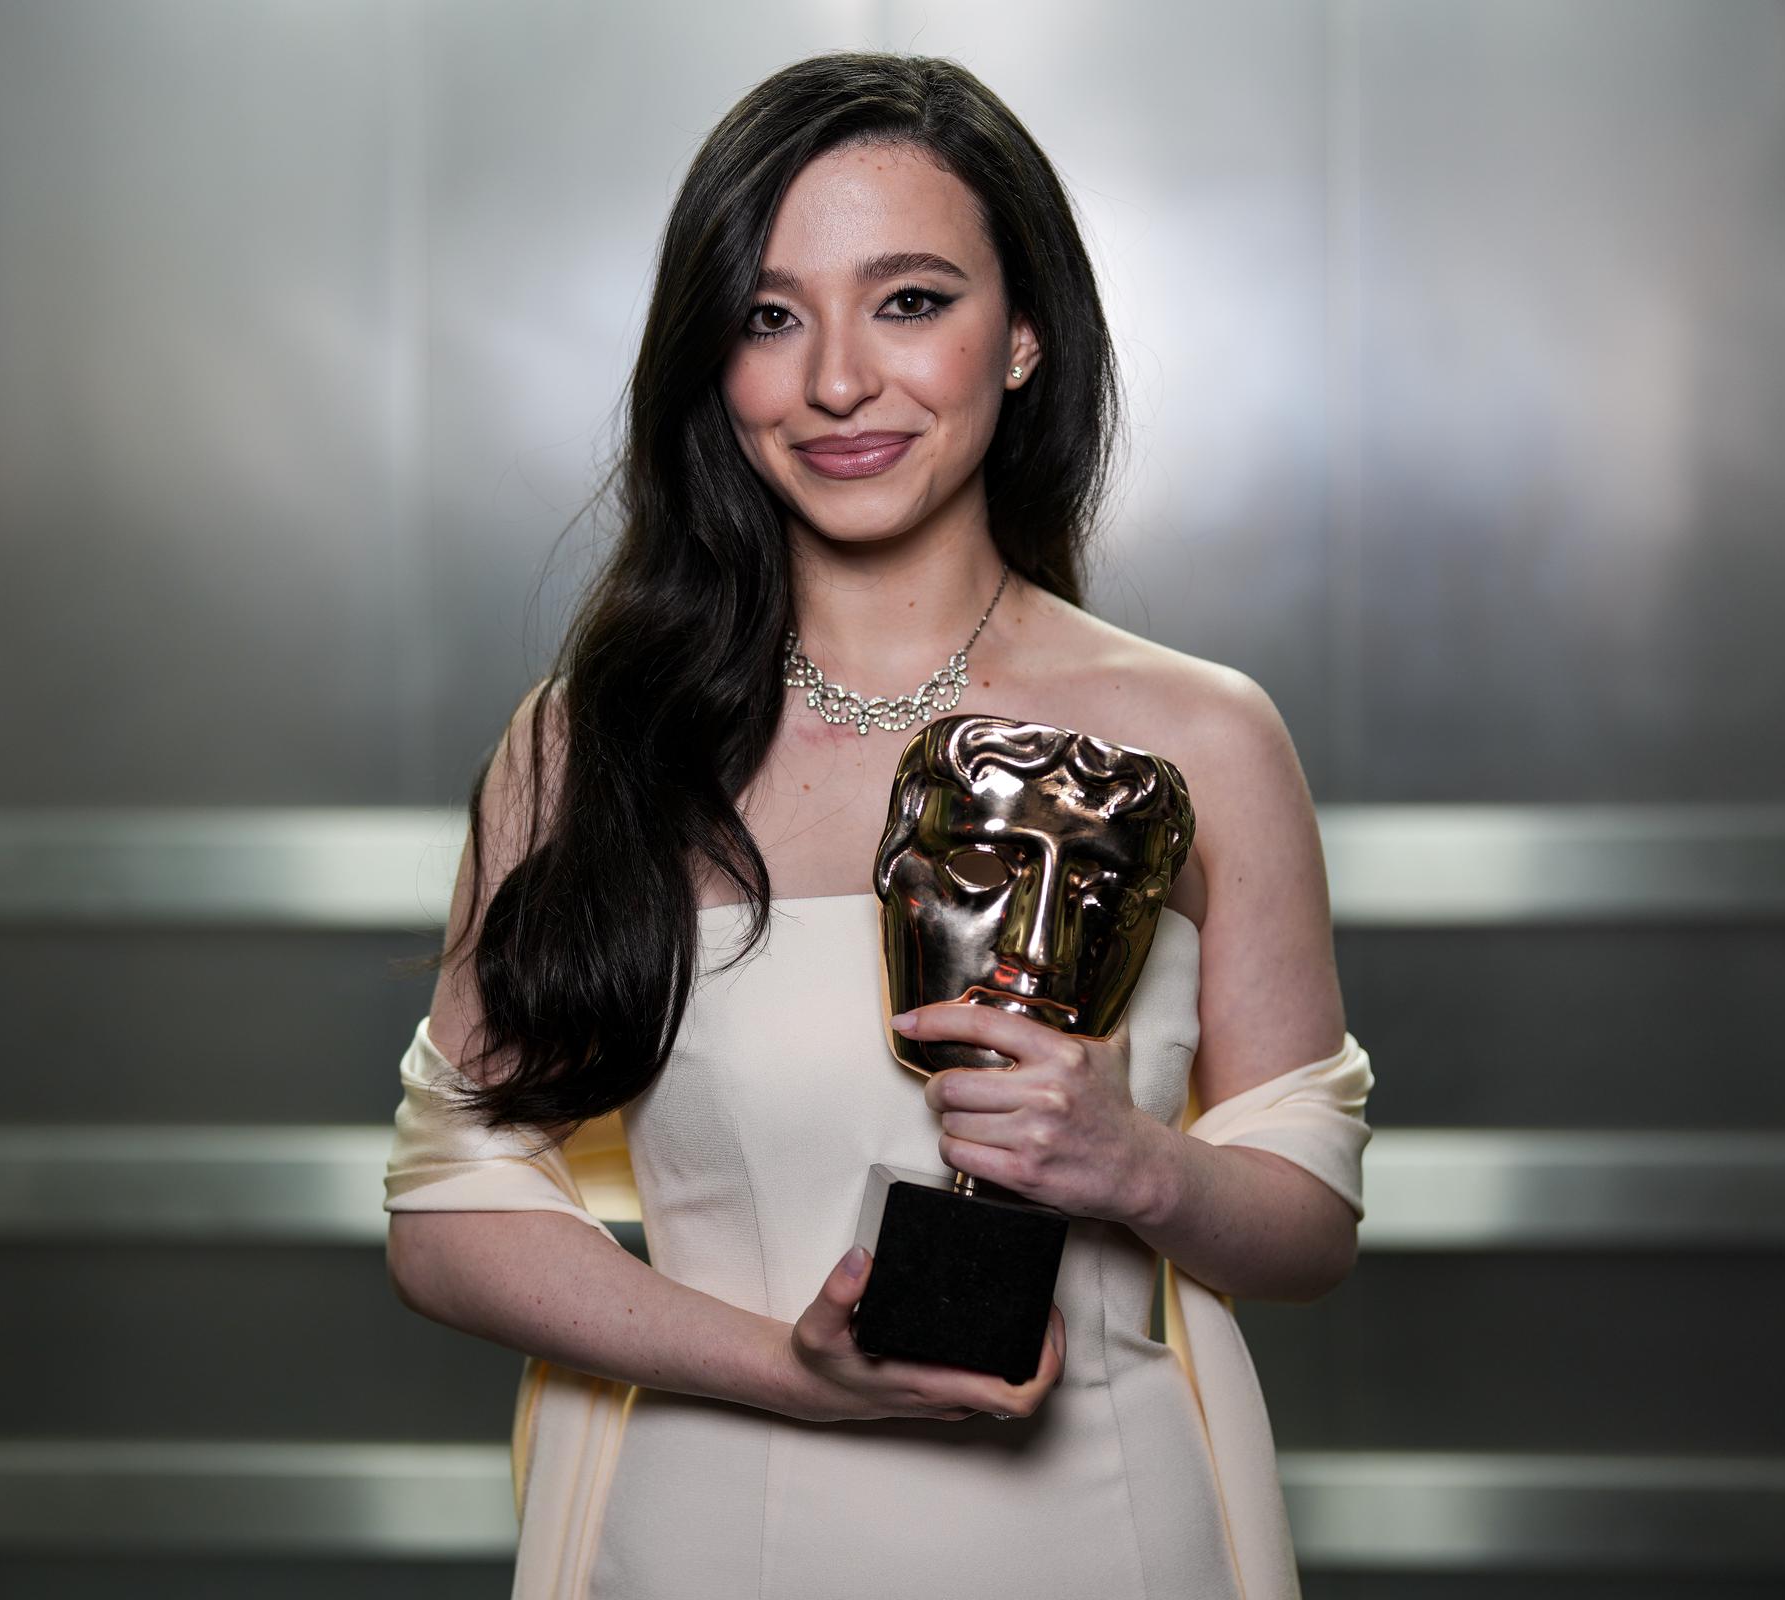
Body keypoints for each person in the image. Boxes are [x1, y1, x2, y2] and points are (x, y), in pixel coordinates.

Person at [383, 50, 1374, 1599]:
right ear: (712, 363)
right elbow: (449, 1208)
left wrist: (1138, 1167)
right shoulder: (592, 742)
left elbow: (1310, 1226)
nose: (839, 379)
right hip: (701, 1534)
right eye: (771, 317)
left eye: (911, 300)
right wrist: (786, 1369)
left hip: (1105, 1539)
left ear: (1027, 332)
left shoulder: (1201, 738)